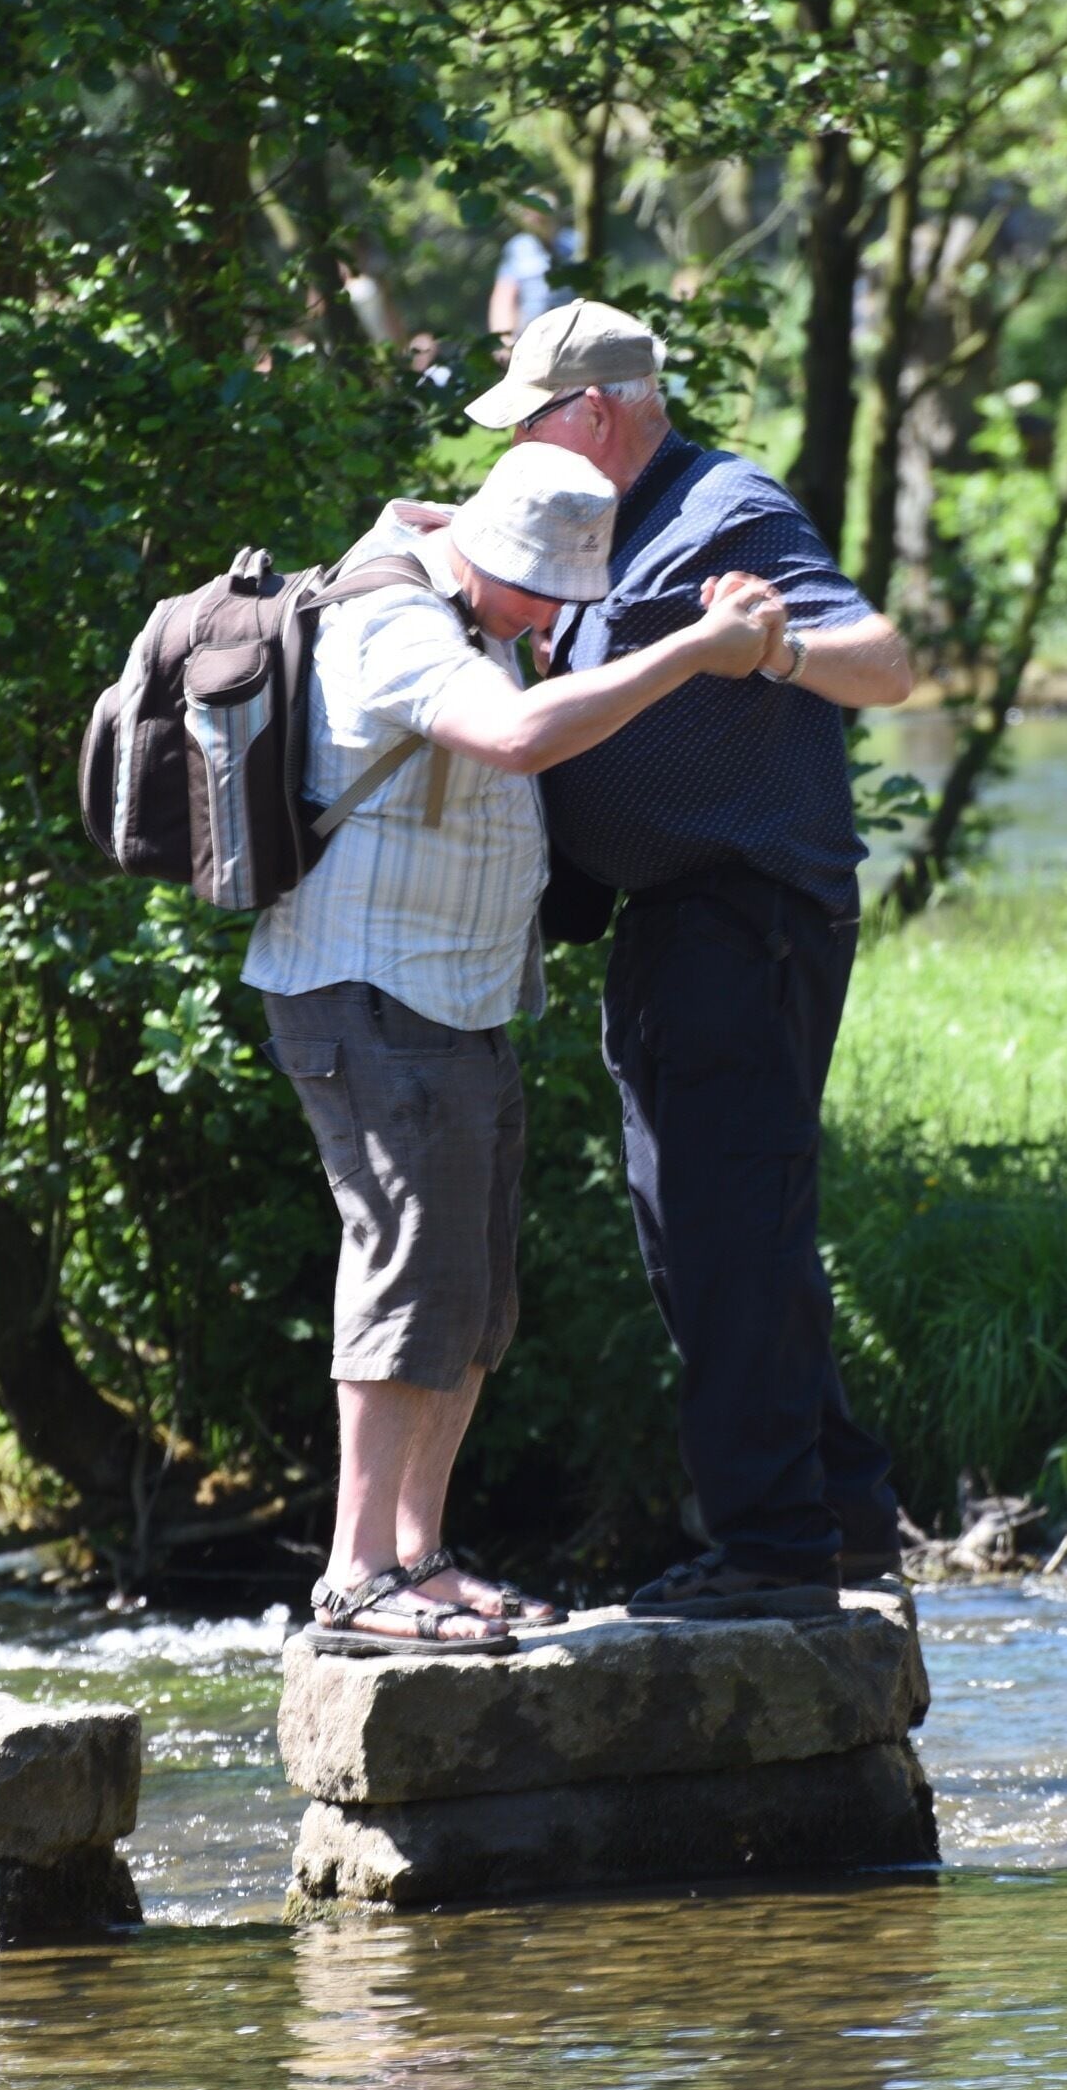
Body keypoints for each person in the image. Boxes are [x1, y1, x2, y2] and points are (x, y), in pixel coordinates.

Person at [246, 441, 788, 1654]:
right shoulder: (394, 620)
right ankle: (354, 1573)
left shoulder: (479, 592)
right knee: (404, 1265)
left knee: (473, 1290)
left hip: (457, 993)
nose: (555, 621)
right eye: (545, 596)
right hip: (367, 990)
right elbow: (515, 736)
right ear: (486, 553)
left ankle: (419, 1558)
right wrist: (694, 652)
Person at [464, 302, 915, 1619]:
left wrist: (767, 646)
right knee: (725, 1226)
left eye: (531, 423)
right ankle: (838, 1510)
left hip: (746, 918)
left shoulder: (721, 506)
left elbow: (882, 665)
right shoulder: (611, 518)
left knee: (722, 1233)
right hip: (685, 925)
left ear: (593, 415)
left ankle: (774, 1547)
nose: (514, 456)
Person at [488, 200, 580, 345]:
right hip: (533, 338)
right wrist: (505, 340)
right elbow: (504, 297)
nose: (535, 216)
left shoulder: (575, 241)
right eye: (530, 212)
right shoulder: (517, 248)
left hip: (577, 332)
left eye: (541, 210)